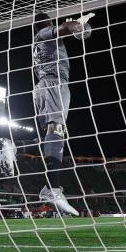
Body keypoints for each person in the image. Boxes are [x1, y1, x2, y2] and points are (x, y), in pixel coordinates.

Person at [32, 12, 94, 216]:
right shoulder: (43, 34)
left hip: (48, 85)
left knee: (53, 133)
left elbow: (63, 30)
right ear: (46, 23)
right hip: (53, 84)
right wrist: (76, 25)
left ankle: (49, 186)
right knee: (56, 130)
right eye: (51, 21)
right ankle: (52, 189)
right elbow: (64, 29)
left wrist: (74, 26)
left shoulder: (42, 41)